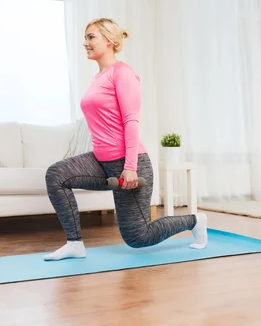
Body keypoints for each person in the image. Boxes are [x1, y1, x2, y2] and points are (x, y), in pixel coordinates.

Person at [43, 18, 208, 261]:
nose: (85, 43)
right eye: (85, 38)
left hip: (129, 163)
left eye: (91, 37)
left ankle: (195, 221)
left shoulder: (123, 74)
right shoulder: (98, 78)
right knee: (56, 175)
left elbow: (131, 122)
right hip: (101, 161)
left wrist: (129, 167)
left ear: (109, 40)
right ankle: (75, 243)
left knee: (137, 237)